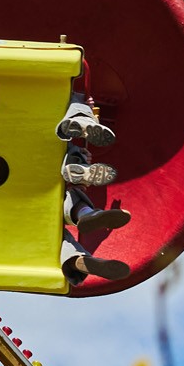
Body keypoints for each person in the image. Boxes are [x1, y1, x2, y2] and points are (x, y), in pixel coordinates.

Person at [57, 92, 131, 285]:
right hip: (52, 166)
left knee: (49, 233)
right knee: (56, 225)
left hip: (18, 196)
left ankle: (77, 260)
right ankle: (84, 219)